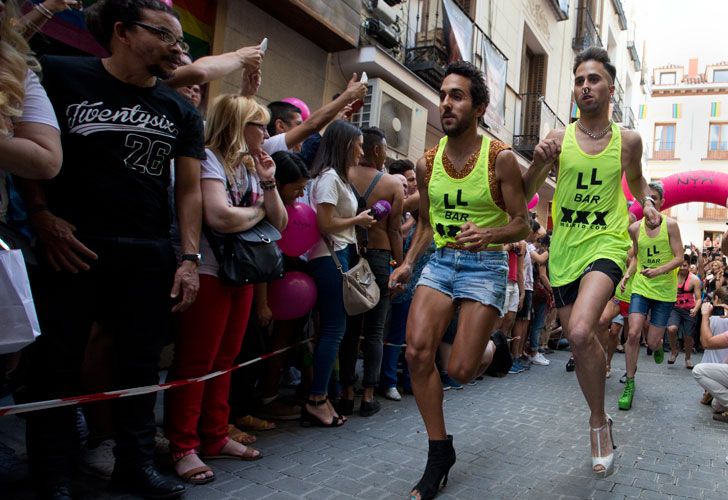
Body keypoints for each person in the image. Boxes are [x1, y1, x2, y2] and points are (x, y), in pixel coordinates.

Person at [17, 1, 205, 498]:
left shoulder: (181, 108)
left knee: (141, 367)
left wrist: (188, 258)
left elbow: (189, 191)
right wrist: (40, 214)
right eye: (163, 35)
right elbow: (27, 143)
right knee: (56, 365)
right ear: (121, 32)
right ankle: (52, 473)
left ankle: (135, 464)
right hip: (72, 246)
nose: (175, 48)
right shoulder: (61, 75)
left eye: (178, 40)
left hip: (148, 253)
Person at [389, 60, 530, 499]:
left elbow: (523, 224)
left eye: (457, 96)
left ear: (479, 107)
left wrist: (488, 234)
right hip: (442, 262)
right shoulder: (426, 162)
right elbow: (428, 223)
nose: (446, 103)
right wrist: (409, 261)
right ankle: (438, 451)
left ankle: (494, 345)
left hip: (485, 264)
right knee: (416, 354)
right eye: (444, 95)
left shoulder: (500, 159)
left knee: (461, 371)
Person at [522, 47, 661, 477]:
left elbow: (635, 179)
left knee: (581, 330)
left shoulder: (628, 141)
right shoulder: (558, 139)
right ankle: (600, 413)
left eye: (594, 79)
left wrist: (647, 205)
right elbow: (525, 187)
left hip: (607, 244)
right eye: (580, 80)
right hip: (565, 250)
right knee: (582, 342)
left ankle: (596, 425)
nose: (585, 86)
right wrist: (539, 159)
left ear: (610, 88)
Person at [165, 95, 286, 484]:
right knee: (196, 362)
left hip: (242, 274)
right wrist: (257, 214)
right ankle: (183, 445)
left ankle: (215, 435)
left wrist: (268, 182)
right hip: (210, 271)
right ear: (236, 125)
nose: (265, 134)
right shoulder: (207, 158)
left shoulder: (253, 167)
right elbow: (218, 216)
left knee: (228, 358)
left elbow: (280, 221)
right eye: (259, 125)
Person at [303, 119, 375, 427]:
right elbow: (325, 223)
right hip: (329, 256)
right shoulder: (329, 177)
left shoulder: (339, 179)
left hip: (340, 254)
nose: (361, 151)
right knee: (334, 328)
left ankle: (322, 396)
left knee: (336, 329)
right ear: (345, 145)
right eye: (358, 145)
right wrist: (357, 220)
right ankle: (316, 399)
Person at [338, 126, 403, 417]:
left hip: (350, 253)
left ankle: (346, 393)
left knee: (351, 330)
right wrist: (400, 266)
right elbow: (395, 231)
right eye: (386, 149)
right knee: (376, 331)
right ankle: (368, 396)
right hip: (380, 256)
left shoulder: (344, 173)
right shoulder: (392, 183)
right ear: (377, 151)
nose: (386, 154)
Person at [619, 182, 683, 410]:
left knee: (654, 341)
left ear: (662, 202)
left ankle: (657, 347)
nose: (652, 203)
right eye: (648, 199)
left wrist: (658, 271)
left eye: (655, 198)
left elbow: (679, 258)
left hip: (664, 291)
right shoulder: (634, 229)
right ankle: (630, 382)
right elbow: (636, 257)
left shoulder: (671, 226)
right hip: (642, 287)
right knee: (634, 333)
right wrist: (628, 274)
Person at [262, 77, 367, 156]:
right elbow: (312, 125)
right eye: (299, 124)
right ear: (280, 126)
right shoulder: (267, 147)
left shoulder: (297, 153)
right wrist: (348, 95)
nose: (304, 132)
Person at [693, 288, 728, 422]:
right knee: (716, 405)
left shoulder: (713, 320)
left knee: (699, 371)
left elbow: (706, 343)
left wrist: (705, 316)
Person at [666, 258, 702, 368]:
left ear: (689, 266)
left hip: (689, 309)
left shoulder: (694, 279)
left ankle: (688, 358)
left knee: (688, 337)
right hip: (675, 308)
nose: (682, 268)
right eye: (681, 265)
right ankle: (674, 351)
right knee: (671, 329)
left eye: (685, 265)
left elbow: (699, 298)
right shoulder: (672, 276)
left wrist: (695, 309)